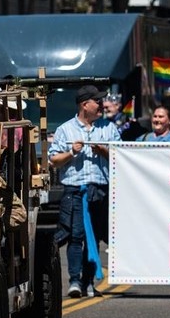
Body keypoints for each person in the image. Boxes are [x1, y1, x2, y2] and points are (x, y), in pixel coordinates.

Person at [48, 85, 120, 299]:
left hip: (100, 189)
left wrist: (104, 151)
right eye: (96, 101)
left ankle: (89, 282)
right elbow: (53, 160)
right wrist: (71, 152)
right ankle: (75, 281)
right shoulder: (65, 130)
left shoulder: (108, 128)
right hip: (75, 190)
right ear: (84, 105)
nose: (101, 105)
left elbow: (121, 157)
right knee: (76, 235)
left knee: (94, 237)